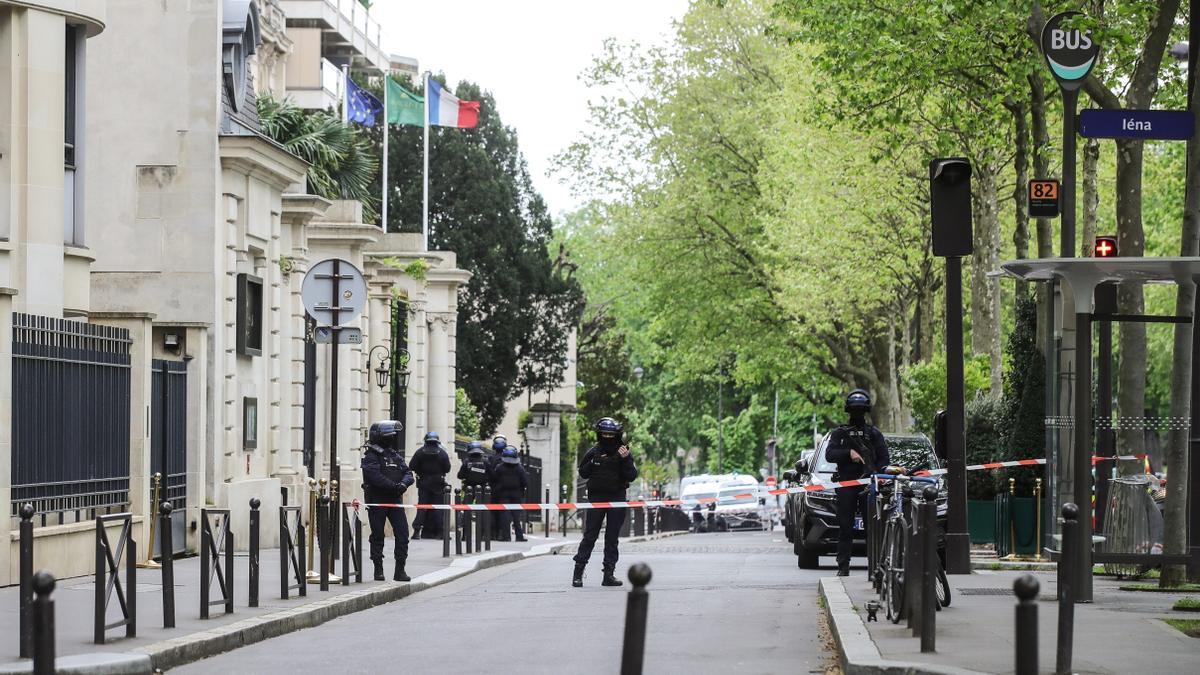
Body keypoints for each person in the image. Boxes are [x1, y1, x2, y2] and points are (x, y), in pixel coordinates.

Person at [825, 389, 905, 577]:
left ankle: (875, 570)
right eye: (854, 410)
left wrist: (888, 469)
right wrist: (848, 454)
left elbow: (883, 460)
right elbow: (829, 455)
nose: (857, 414)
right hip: (846, 485)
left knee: (872, 529)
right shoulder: (839, 434)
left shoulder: (873, 434)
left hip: (870, 484)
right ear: (849, 411)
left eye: (860, 410)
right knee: (845, 528)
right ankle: (843, 568)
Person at [572, 417, 638, 588]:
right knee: (590, 535)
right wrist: (593, 463)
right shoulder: (593, 452)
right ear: (600, 434)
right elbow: (583, 473)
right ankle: (578, 573)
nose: (608, 437)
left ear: (617, 434)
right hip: (597, 498)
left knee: (612, 537)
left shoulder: (623, 452)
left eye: (611, 434)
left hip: (617, 497)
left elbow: (631, 475)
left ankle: (608, 574)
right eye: (605, 434)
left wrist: (626, 459)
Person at [360, 420, 414, 581]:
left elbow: (408, 473)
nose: (391, 438)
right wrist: (394, 486)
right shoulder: (371, 456)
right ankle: (378, 569)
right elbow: (375, 477)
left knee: (403, 534)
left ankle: (400, 570)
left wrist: (403, 484)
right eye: (388, 436)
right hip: (378, 500)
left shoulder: (393, 455)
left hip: (395, 500)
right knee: (377, 535)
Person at [409, 431, 451, 540]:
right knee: (438, 508)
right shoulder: (442, 453)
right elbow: (447, 468)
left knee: (422, 507)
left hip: (423, 483)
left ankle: (417, 531)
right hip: (438, 484)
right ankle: (440, 532)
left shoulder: (419, 452)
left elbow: (412, 466)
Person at [489, 447, 529, 541]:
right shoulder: (519, 468)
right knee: (516, 516)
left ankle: (506, 536)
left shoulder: (500, 468)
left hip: (503, 494)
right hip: (517, 494)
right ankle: (519, 536)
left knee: (505, 516)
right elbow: (525, 482)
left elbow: (494, 479)